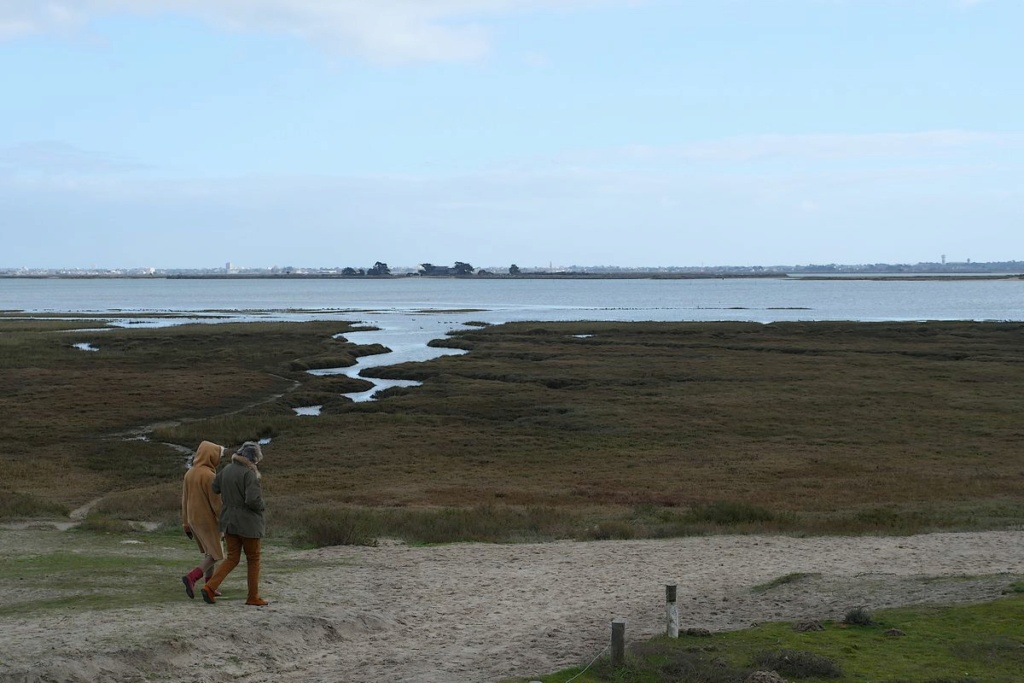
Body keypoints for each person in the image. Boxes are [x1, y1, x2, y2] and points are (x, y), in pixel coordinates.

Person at [200, 441, 269, 606]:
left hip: (229, 521)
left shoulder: (227, 470)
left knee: (232, 558)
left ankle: (210, 587)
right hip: (248, 524)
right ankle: (253, 597)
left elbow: (215, 487)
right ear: (253, 458)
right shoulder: (250, 474)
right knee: (253, 559)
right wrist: (262, 506)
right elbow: (253, 500)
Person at [180, 440, 225, 599]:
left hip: (193, 520)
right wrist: (224, 521)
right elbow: (217, 504)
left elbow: (184, 500)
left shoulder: (189, 473)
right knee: (215, 554)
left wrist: (185, 523)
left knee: (209, 552)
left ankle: (210, 586)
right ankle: (192, 577)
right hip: (207, 520)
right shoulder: (210, 475)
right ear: (211, 456)